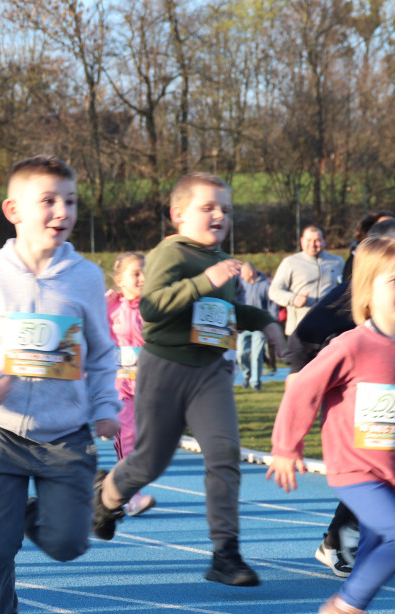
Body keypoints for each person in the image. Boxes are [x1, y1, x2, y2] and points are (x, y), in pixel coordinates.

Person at [0, 155, 121, 614]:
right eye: (47, 200)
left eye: (69, 201)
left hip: (65, 434)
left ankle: (42, 511)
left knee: (68, 545)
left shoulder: (86, 277)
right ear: (13, 210)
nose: (61, 211)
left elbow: (103, 352)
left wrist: (107, 407)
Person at [92, 171, 284, 589]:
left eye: (226, 210)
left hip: (211, 371)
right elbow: (154, 307)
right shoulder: (170, 254)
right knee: (149, 461)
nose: (219, 215)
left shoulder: (223, 263)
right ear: (178, 214)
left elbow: (225, 314)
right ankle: (105, 498)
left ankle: (225, 552)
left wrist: (267, 323)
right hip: (165, 369)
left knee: (223, 454)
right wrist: (205, 282)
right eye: (208, 207)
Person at [267, 235, 395, 614]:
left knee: (380, 543)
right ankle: (342, 612)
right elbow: (303, 388)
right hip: (355, 470)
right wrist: (286, 447)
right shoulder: (352, 345)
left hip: (392, 471)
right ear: (367, 292)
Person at [286, 217, 395, 579]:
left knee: (378, 539)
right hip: (353, 431)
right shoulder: (348, 319)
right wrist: (288, 442)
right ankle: (341, 596)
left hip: (388, 442)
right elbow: (304, 338)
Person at [106, 252, 157, 516]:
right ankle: (132, 496)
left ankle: (111, 490)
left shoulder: (156, 305)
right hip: (119, 386)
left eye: (145, 272)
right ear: (119, 280)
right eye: (135, 273)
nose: (142, 277)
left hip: (151, 385)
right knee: (127, 436)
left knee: (147, 443)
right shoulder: (109, 307)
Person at [270, 225, 345, 336]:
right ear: (301, 241)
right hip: (299, 331)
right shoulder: (290, 262)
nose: (312, 245)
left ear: (325, 241)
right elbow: (274, 291)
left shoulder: (338, 262)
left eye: (317, 240)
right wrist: (293, 299)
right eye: (308, 240)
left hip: (329, 330)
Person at [235, 262, 278, 390]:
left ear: (250, 273)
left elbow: (272, 306)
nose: (241, 276)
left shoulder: (266, 286)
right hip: (244, 326)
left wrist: (271, 324)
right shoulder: (242, 285)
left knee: (257, 354)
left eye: (242, 274)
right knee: (241, 353)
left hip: (260, 327)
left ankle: (256, 382)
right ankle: (246, 376)